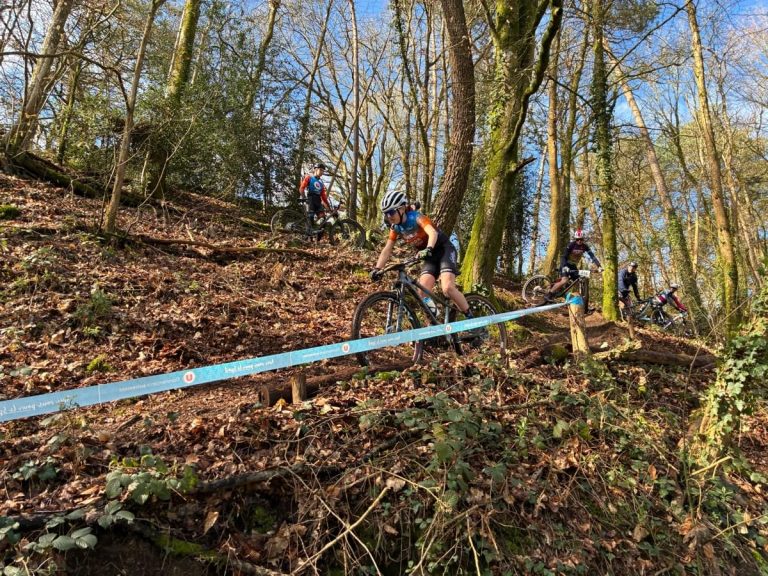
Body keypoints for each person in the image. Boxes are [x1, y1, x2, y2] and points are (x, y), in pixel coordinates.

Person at [370, 189, 473, 319]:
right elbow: (387, 249)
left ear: (401, 209)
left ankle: (472, 320)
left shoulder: (416, 217)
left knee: (447, 288)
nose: (388, 216)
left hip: (444, 249)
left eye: (391, 212)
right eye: (386, 213)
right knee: (422, 293)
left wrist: (429, 248)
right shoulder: (395, 228)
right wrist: (377, 269)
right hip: (429, 257)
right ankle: (437, 323)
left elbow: (432, 233)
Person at [545, 229, 602, 301]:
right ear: (575, 239)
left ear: (583, 239)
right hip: (565, 263)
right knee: (564, 280)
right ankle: (549, 294)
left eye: (581, 239)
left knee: (578, 280)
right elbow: (564, 256)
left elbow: (592, 256)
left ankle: (578, 300)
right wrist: (565, 266)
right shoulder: (571, 245)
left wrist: (599, 266)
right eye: (577, 239)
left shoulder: (585, 246)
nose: (579, 241)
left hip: (573, 265)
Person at [298, 162, 331, 227]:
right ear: (315, 169)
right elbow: (301, 188)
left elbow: (323, 197)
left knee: (323, 221)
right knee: (310, 221)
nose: (322, 172)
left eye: (323, 171)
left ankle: (318, 237)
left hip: (318, 202)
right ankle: (309, 236)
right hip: (310, 200)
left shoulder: (321, 184)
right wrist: (304, 197)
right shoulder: (309, 178)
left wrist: (328, 206)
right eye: (321, 170)